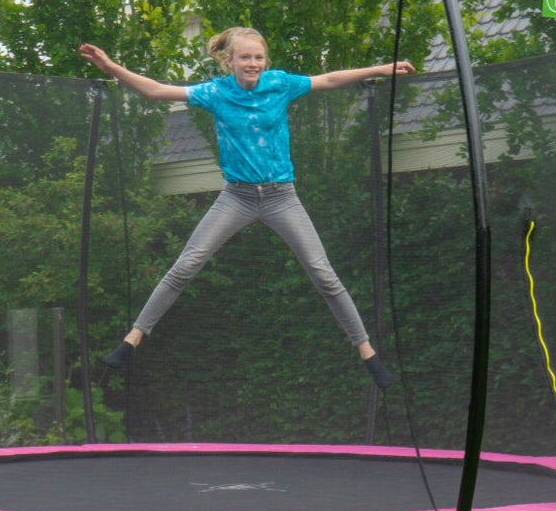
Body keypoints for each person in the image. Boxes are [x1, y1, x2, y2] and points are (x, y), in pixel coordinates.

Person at [78, 27, 414, 388]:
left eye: (258, 57)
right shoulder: (216, 93)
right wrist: (111, 67)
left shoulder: (279, 84)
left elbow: (330, 79)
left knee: (324, 275)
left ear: (265, 60)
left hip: (281, 197)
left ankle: (368, 354)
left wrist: (380, 68)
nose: (252, 63)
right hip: (237, 197)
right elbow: (156, 91)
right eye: (245, 57)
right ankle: (132, 340)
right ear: (230, 61)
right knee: (186, 265)